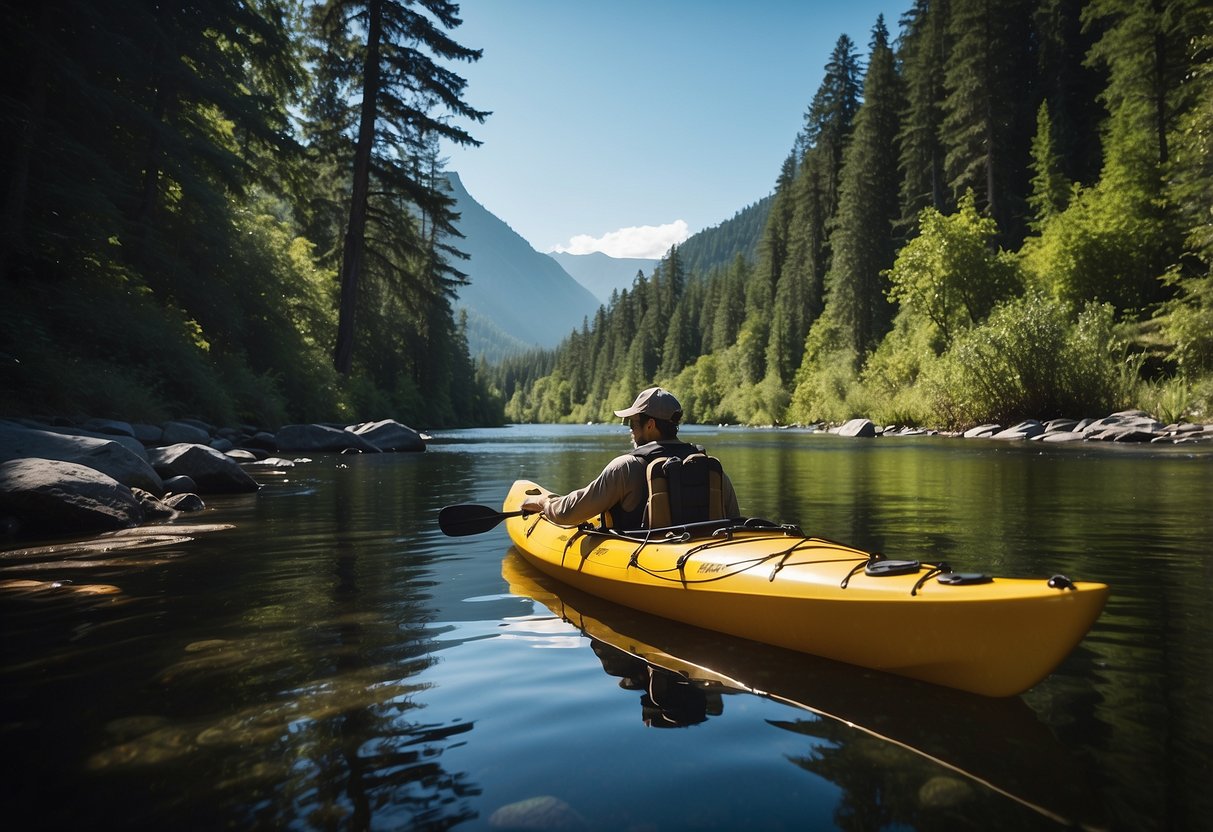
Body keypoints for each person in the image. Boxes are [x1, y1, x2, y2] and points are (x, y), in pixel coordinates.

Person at [521, 387, 740, 529]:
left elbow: (569, 513)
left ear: (650, 425)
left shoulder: (626, 467)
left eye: (632, 423)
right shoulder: (710, 468)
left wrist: (543, 502)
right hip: (704, 555)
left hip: (651, 562)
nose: (630, 431)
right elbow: (734, 520)